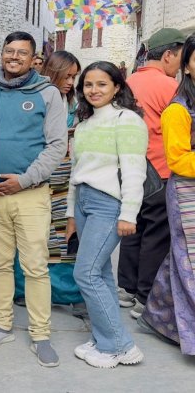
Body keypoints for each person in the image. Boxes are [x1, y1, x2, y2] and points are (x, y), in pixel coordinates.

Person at [0, 31, 67, 367]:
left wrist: (24, 180)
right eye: (9, 51)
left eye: (22, 53)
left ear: (33, 59)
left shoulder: (48, 94)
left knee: (35, 266)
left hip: (30, 194)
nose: (14, 57)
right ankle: (1, 325)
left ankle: (40, 334)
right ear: (2, 53)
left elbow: (56, 145)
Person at [66, 61, 147, 368]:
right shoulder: (84, 124)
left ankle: (118, 346)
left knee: (85, 273)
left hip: (109, 204)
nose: (94, 90)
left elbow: (134, 171)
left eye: (102, 84)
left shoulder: (127, 120)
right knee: (99, 273)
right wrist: (72, 214)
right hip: (84, 201)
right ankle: (104, 338)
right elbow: (76, 172)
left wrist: (129, 214)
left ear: (117, 87)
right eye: (88, 84)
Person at [118, 28, 187, 319]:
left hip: (130, 167)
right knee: (156, 235)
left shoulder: (130, 80)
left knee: (132, 227)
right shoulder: (169, 86)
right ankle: (145, 296)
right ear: (168, 55)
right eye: (181, 58)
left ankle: (126, 288)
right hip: (159, 168)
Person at [13, 51, 85, 315]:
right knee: (34, 236)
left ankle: (66, 292)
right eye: (66, 76)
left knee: (63, 235)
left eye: (74, 77)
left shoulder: (75, 104)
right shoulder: (37, 98)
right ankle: (23, 289)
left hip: (67, 178)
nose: (70, 82)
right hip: (39, 175)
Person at [139, 33, 195, 355]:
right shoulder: (178, 109)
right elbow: (179, 160)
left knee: (181, 258)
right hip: (186, 191)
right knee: (190, 261)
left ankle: (160, 317)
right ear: (185, 66)